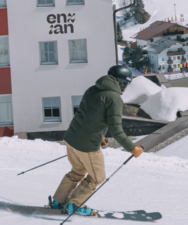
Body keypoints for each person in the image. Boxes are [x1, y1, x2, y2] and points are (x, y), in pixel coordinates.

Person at [50, 65, 144, 217]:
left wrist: (101, 137)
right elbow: (116, 129)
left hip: (71, 138)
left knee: (77, 172)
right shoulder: (114, 98)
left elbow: (89, 117)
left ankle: (57, 201)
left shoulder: (92, 89)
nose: (126, 88)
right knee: (97, 177)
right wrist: (132, 148)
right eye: (126, 84)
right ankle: (75, 204)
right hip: (87, 146)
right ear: (121, 82)